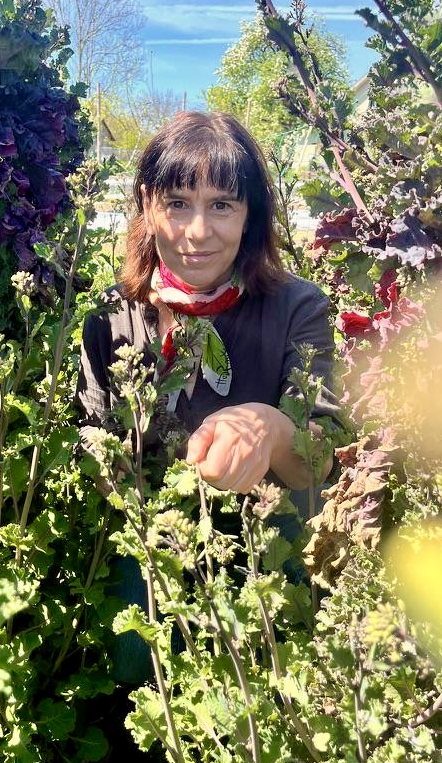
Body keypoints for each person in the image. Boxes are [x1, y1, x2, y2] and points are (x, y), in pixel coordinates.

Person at [76, 111, 340, 493]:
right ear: (149, 206)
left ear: (249, 215)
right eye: (178, 204)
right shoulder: (110, 315)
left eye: (222, 205)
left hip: (258, 546)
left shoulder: (297, 308)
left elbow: (320, 463)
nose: (199, 233)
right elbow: (89, 429)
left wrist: (270, 428)